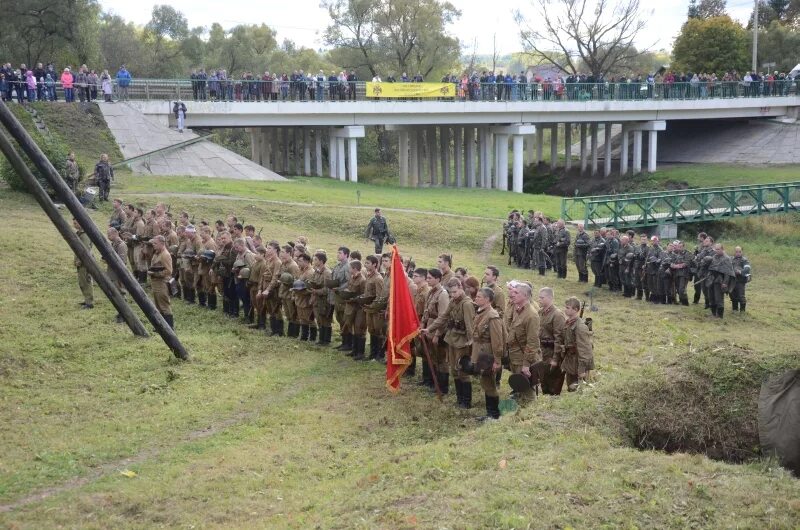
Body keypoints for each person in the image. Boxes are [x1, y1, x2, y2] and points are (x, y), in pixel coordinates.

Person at [424, 277, 475, 408]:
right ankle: (459, 399)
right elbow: (443, 317)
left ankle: (466, 402)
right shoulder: (453, 301)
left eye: (455, 292)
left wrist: (471, 345)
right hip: (452, 339)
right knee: (454, 370)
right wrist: (429, 329)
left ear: (461, 288)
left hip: (463, 342)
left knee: (462, 371)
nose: (452, 295)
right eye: (451, 292)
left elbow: (470, 326)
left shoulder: (467, 304)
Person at [471, 288, 505, 420]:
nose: (476, 298)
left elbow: (497, 341)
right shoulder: (481, 312)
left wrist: (497, 360)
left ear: (487, 299)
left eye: (479, 297)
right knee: (485, 382)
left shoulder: (492, 316)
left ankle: (494, 414)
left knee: (490, 384)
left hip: (488, 354)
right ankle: (489, 413)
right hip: (480, 352)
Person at [507, 282, 541, 398]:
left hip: (523, 358)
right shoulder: (518, 310)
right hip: (515, 356)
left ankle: (528, 410)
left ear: (525, 295)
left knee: (527, 392)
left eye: (516, 293)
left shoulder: (531, 315)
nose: (513, 295)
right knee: (519, 388)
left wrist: (526, 364)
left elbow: (533, 342)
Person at [560, 297, 594, 392]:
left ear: (575, 310)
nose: (565, 309)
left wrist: (582, 370)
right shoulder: (569, 323)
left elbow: (585, 350)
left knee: (579, 390)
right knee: (570, 388)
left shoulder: (580, 327)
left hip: (579, 363)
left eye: (568, 308)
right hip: (571, 360)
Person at [537, 287, 566, 395]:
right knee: (543, 381)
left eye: (542, 298)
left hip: (552, 351)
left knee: (553, 384)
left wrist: (555, 359)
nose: (539, 300)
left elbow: (559, 338)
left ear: (550, 298)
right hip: (541, 352)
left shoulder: (557, 315)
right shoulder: (540, 312)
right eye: (539, 297)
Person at [147, 235, 175, 329]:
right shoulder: (156, 253)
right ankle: (161, 327)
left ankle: (169, 328)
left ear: (162, 243)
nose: (153, 245)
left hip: (162, 283)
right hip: (156, 283)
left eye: (155, 243)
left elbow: (169, 271)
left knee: (164, 306)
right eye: (153, 243)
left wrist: (155, 274)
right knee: (158, 306)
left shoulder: (165, 255)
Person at [705, 243, 735, 319]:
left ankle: (720, 316)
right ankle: (713, 314)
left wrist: (725, 283)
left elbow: (728, 272)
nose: (716, 251)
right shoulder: (714, 257)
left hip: (720, 281)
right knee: (711, 297)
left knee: (718, 298)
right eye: (716, 249)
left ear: (722, 249)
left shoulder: (726, 259)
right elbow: (711, 267)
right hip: (712, 279)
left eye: (718, 249)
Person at [107, 227, 129, 323]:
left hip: (118, 273)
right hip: (113, 272)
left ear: (115, 233)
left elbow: (122, 261)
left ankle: (125, 314)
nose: (108, 237)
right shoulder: (114, 244)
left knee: (121, 293)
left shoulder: (121, 245)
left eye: (109, 234)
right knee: (116, 294)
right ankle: (121, 312)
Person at [73, 218, 94, 309]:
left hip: (85, 261)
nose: (74, 225)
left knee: (86, 281)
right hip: (81, 260)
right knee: (82, 281)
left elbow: (85, 249)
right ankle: (86, 300)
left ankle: (89, 303)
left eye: (75, 223)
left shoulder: (84, 235)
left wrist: (80, 260)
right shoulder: (80, 233)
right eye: (73, 223)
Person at [730, 246, 751, 312]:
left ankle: (742, 311)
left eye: (739, 252)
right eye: (736, 252)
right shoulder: (731, 259)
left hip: (740, 280)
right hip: (732, 280)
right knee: (732, 295)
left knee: (741, 296)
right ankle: (735, 309)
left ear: (742, 252)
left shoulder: (744, 260)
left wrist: (740, 271)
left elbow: (747, 269)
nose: (738, 253)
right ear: (734, 252)